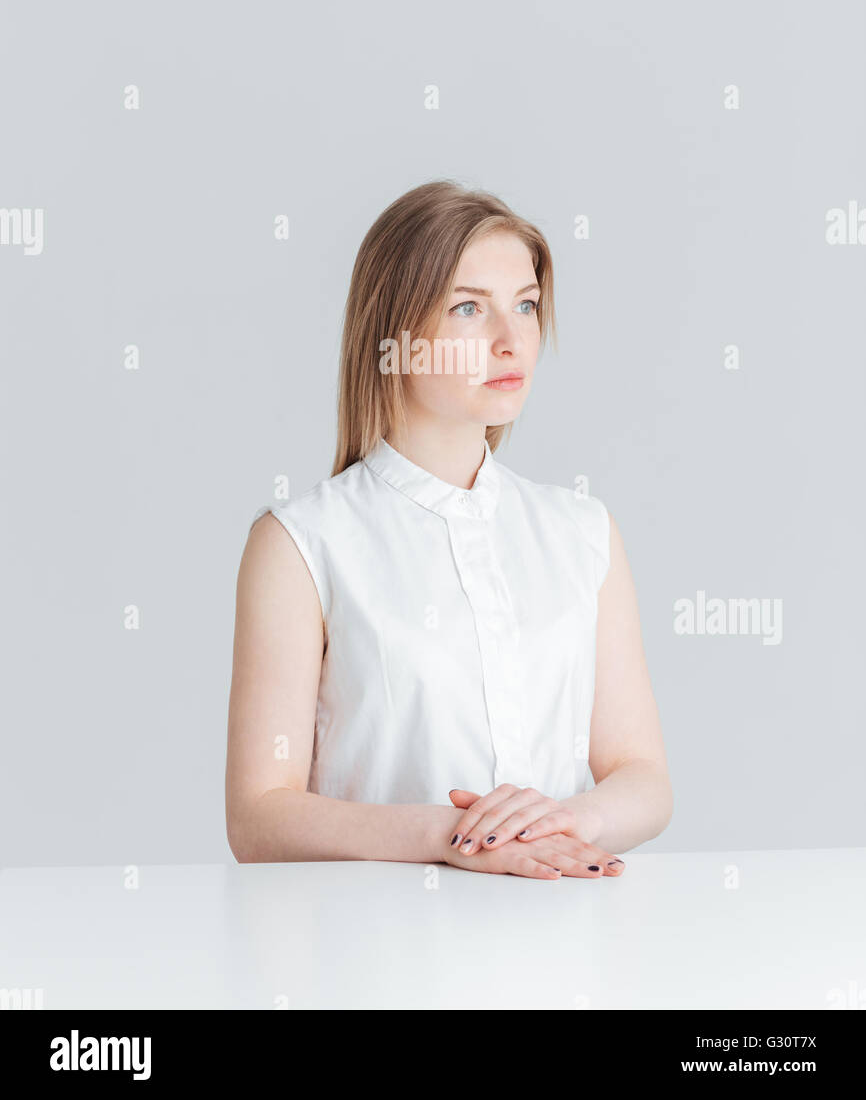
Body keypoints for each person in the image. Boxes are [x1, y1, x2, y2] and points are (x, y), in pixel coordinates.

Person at [225, 180, 673, 879]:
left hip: (564, 950)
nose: (510, 340)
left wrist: (554, 822)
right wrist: (455, 835)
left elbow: (643, 777)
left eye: (526, 306)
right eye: (469, 308)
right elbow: (259, 815)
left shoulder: (583, 532)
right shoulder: (301, 543)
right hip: (373, 959)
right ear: (393, 335)